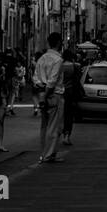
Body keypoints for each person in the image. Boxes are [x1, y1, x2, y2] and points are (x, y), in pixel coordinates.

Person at [33, 32, 65, 163]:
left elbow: (35, 77)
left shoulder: (41, 58)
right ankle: (49, 154)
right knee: (54, 126)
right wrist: (45, 94)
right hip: (54, 94)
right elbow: (53, 80)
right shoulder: (58, 60)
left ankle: (44, 152)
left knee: (44, 126)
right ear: (58, 43)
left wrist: (41, 91)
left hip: (43, 92)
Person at [60, 45, 82, 145]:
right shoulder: (75, 66)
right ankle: (67, 136)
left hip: (60, 92)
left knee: (60, 115)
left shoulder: (59, 66)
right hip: (70, 93)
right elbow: (77, 81)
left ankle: (57, 134)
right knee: (69, 115)